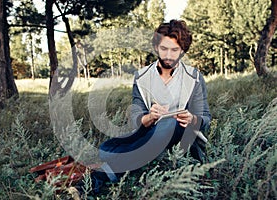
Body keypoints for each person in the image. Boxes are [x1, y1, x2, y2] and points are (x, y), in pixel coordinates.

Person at [89, 19, 211, 192]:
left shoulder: (194, 77)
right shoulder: (142, 77)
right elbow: (136, 116)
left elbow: (205, 117)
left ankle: (105, 173)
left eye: (175, 50)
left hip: (183, 140)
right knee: (108, 148)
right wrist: (150, 117)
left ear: (183, 50)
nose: (169, 55)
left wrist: (192, 119)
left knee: (170, 123)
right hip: (151, 134)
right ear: (156, 48)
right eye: (164, 49)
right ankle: (117, 160)